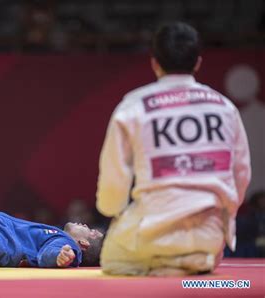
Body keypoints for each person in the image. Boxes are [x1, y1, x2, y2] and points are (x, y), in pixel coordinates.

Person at [96, 22, 251, 276]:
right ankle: (190, 264)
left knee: (112, 260)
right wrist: (224, 218)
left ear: (155, 62)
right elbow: (241, 174)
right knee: (200, 252)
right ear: (198, 62)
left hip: (152, 232)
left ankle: (163, 269)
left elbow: (113, 185)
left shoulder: (134, 106)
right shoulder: (224, 107)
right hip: (209, 237)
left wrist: (113, 212)